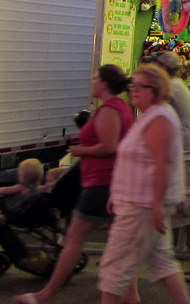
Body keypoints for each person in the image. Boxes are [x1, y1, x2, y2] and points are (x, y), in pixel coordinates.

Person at [15, 65, 138, 304]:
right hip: (113, 181)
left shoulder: (109, 110)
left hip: (101, 182)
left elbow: (108, 146)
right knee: (121, 239)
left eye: (95, 78)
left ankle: (45, 295)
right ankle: (130, 294)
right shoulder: (122, 107)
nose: (92, 82)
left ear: (103, 84)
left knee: (74, 238)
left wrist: (81, 149)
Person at [97, 63, 190, 304]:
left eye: (142, 86)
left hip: (142, 205)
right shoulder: (151, 115)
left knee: (114, 267)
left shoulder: (159, 118)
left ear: (157, 89)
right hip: (138, 202)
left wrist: (157, 204)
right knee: (162, 261)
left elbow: (161, 164)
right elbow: (137, 162)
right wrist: (116, 194)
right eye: (133, 85)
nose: (134, 90)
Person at [142, 51, 190, 283]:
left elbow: (152, 112)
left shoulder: (171, 87)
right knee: (177, 209)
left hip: (185, 157)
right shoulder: (177, 85)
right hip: (184, 155)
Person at [0, 158, 50, 275]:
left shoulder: (20, 187)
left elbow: (3, 190)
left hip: (15, 215)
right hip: (28, 215)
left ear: (21, 176)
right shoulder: (39, 189)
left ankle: (19, 255)